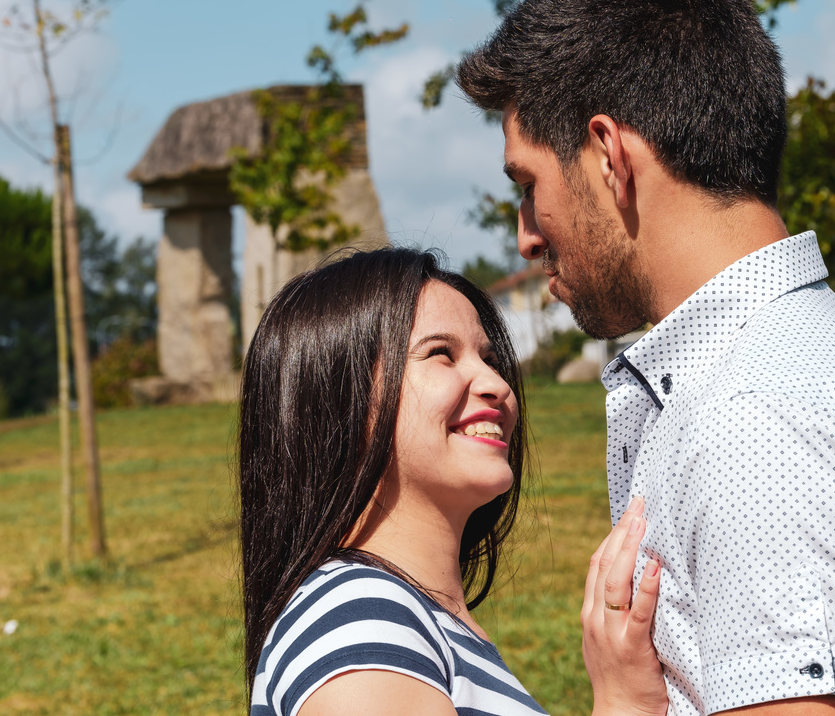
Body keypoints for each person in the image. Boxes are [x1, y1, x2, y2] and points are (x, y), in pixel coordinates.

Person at [456, 0, 835, 716]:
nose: (525, 235)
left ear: (609, 156)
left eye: (528, 183)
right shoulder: (833, 353)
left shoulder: (757, 417)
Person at [239, 247, 668, 716]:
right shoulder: (359, 623)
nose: (496, 384)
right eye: (441, 353)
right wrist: (622, 703)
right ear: (339, 398)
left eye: (490, 358)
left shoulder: (399, 622)